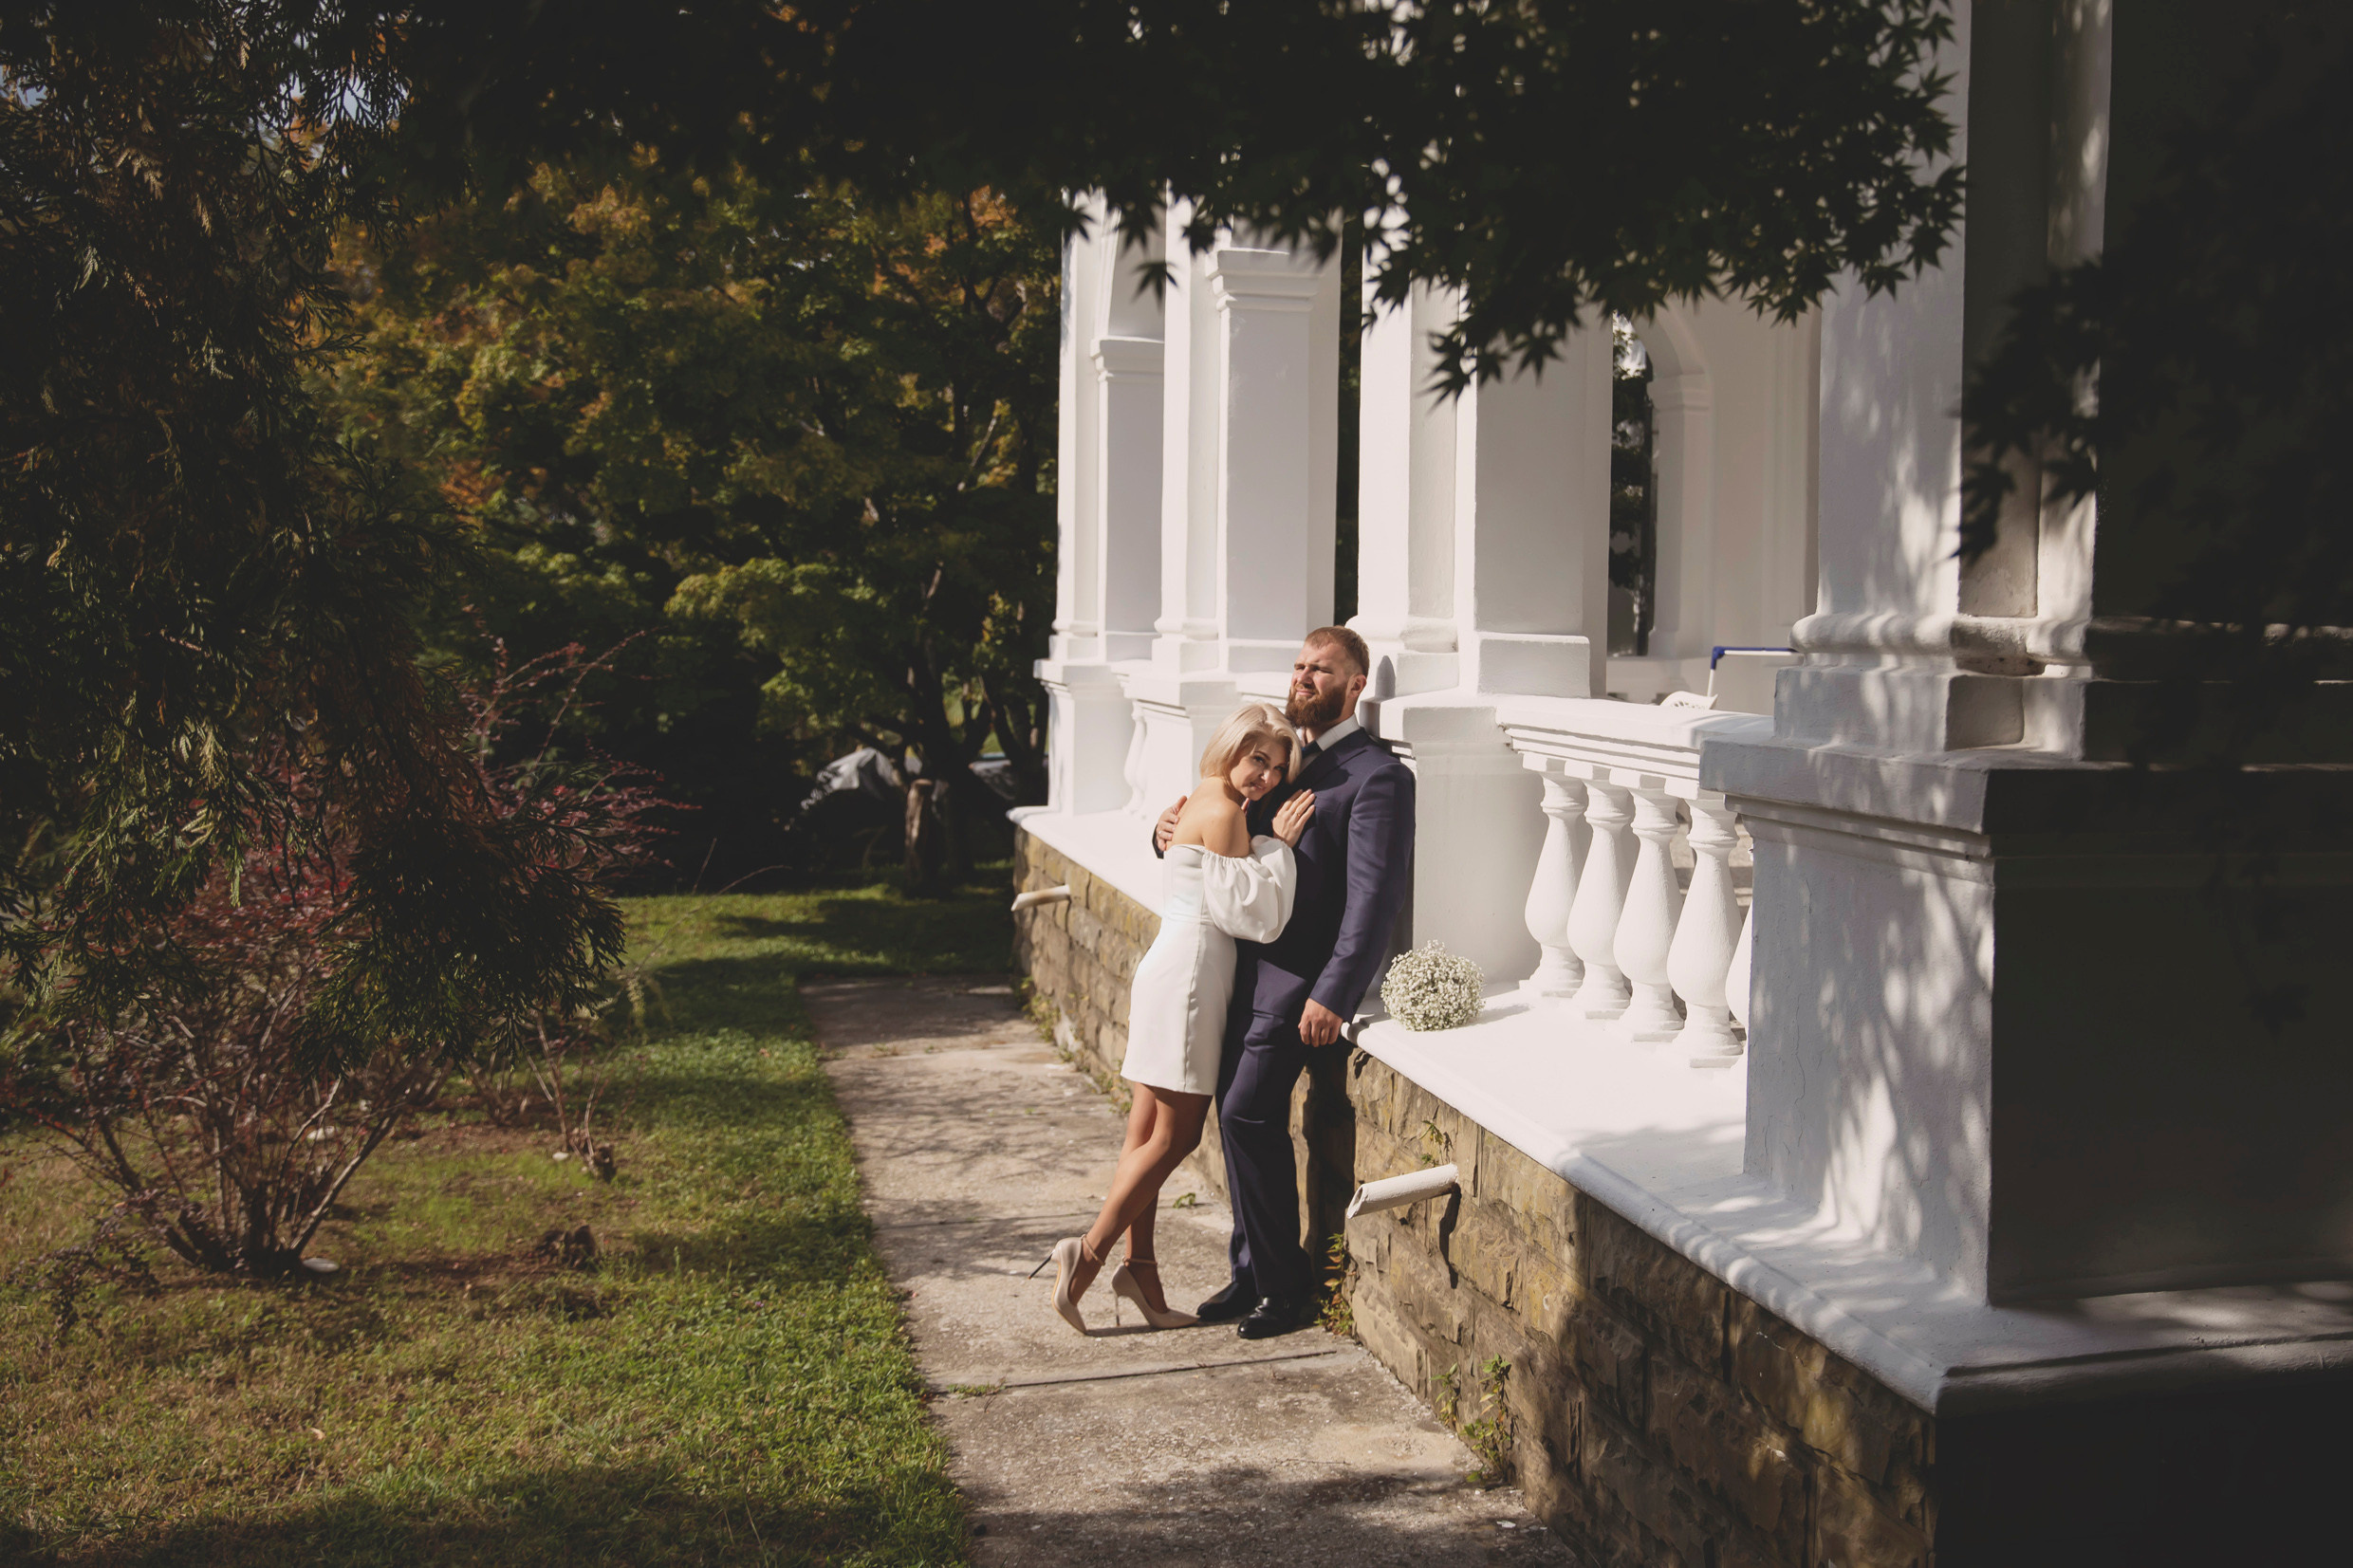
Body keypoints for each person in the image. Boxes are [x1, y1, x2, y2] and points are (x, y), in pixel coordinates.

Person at [1155, 627, 1415, 1339]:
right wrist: (1169, 829)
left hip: (1296, 981)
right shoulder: (1283, 761)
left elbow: (1374, 898)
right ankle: (1249, 1272)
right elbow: (1227, 843)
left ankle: (1284, 1289)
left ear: (1356, 684)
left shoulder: (1375, 776)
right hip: (1240, 970)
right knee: (1231, 1115)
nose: (1302, 676)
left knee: (1245, 1112)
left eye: (1320, 668)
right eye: (1298, 664)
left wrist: (1334, 990)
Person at [1039, 703, 1318, 1334]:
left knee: (1143, 1133)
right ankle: (1087, 1253)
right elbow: (1257, 917)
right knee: (1175, 1137)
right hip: (1192, 977)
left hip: (1172, 967)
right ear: (1230, 745)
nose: (1266, 778)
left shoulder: (1202, 798)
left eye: (1277, 768)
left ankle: (1142, 1267)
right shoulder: (1223, 813)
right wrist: (1280, 847)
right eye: (1258, 759)